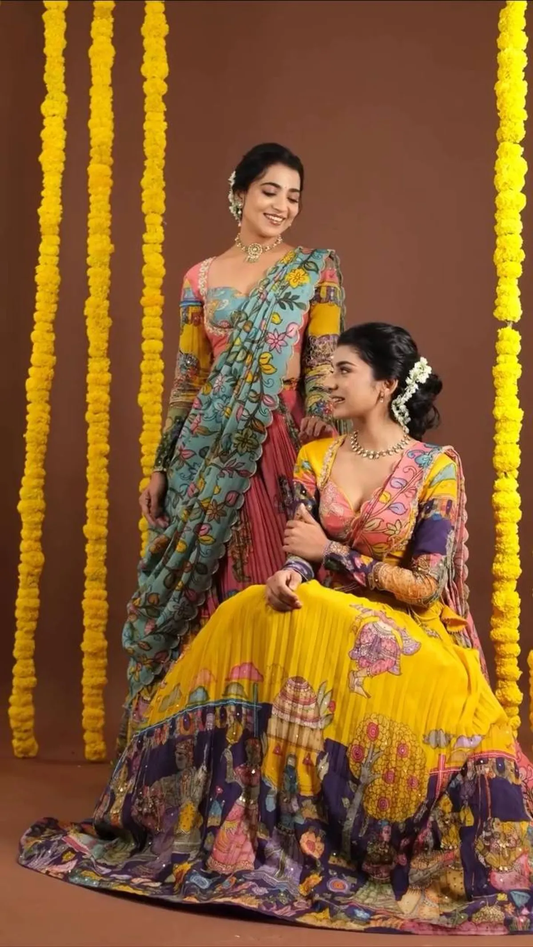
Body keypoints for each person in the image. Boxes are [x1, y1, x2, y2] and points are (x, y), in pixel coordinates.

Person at [19, 324, 533, 935]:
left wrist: (334, 555)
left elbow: (423, 586)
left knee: (337, 620)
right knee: (244, 609)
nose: (327, 380)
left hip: (403, 633)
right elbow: (299, 551)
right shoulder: (317, 457)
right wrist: (290, 573)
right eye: (328, 369)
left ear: (387, 385)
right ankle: (236, 820)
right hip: (319, 613)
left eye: (343, 370)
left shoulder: (434, 469)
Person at [122, 143, 345, 746]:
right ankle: (205, 746)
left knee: (277, 579)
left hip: (281, 445)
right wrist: (162, 466)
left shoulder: (313, 270)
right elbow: (188, 379)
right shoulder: (200, 277)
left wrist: (322, 435)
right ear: (241, 191)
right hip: (207, 455)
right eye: (271, 190)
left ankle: (274, 746)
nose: (283, 206)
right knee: (211, 586)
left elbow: (324, 365)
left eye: (294, 197)